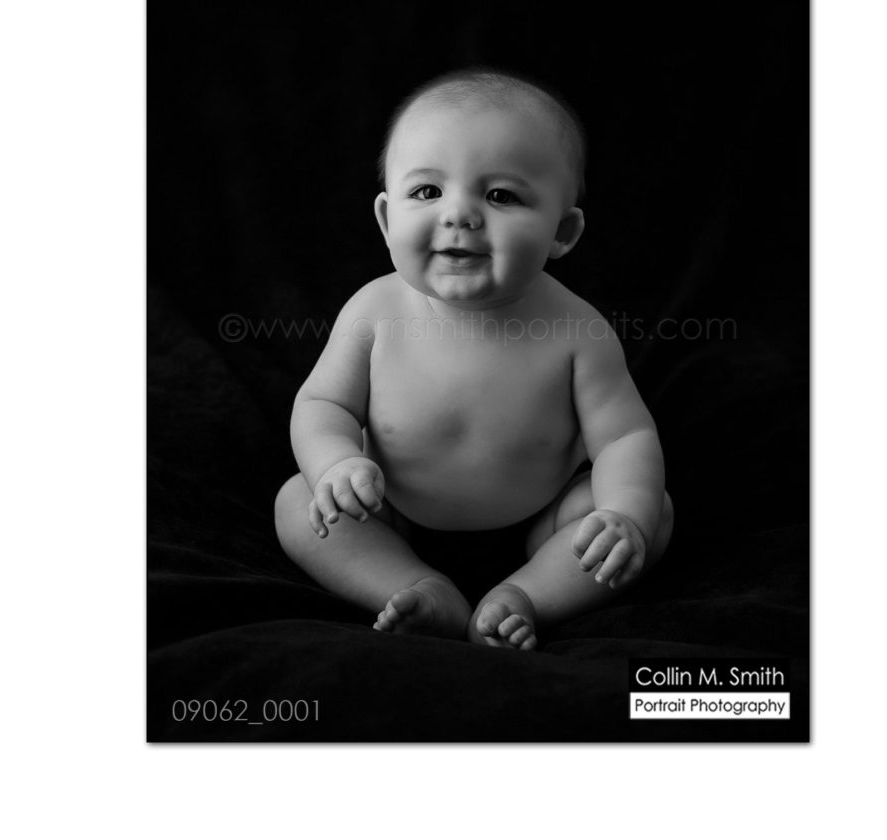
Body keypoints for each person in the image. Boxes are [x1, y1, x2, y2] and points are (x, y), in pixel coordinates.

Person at [275, 69, 673, 650]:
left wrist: (624, 514)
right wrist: (335, 464)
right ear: (386, 219)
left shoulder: (577, 330)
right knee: (298, 502)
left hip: (545, 519)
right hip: (390, 510)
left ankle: (526, 595)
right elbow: (322, 403)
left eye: (501, 195)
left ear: (562, 231)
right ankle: (413, 584)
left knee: (651, 514)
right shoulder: (373, 311)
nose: (459, 215)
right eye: (427, 192)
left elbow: (623, 437)